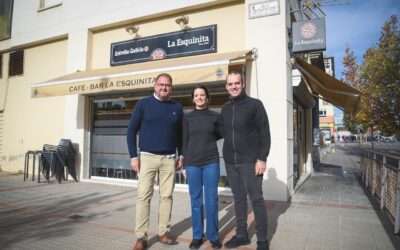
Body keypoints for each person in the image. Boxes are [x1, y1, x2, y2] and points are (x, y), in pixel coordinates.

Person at [127, 73, 184, 250]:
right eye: (160, 84)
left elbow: (181, 135)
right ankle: (140, 237)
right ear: (154, 85)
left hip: (169, 160)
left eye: (167, 85)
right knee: (144, 197)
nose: (163, 88)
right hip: (147, 158)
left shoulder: (177, 107)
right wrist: (133, 157)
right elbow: (131, 132)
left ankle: (163, 232)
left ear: (171, 88)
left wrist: (181, 155)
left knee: (166, 197)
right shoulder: (143, 104)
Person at [220, 71, 271, 250]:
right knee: (239, 199)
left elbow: (265, 134)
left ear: (243, 84)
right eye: (230, 84)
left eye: (237, 83)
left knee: (256, 199)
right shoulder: (225, 108)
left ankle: (263, 239)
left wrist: (262, 159)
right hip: (231, 161)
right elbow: (219, 132)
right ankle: (242, 235)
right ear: (226, 86)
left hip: (250, 161)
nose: (233, 86)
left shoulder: (255, 105)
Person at [182, 84, 223, 249]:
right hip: (192, 163)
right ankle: (197, 236)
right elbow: (184, 141)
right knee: (196, 201)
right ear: (193, 98)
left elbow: (220, 134)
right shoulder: (187, 118)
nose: (199, 97)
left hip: (211, 162)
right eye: (196, 95)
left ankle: (213, 236)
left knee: (212, 200)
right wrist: (184, 165)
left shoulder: (215, 116)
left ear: (207, 98)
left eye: (202, 95)